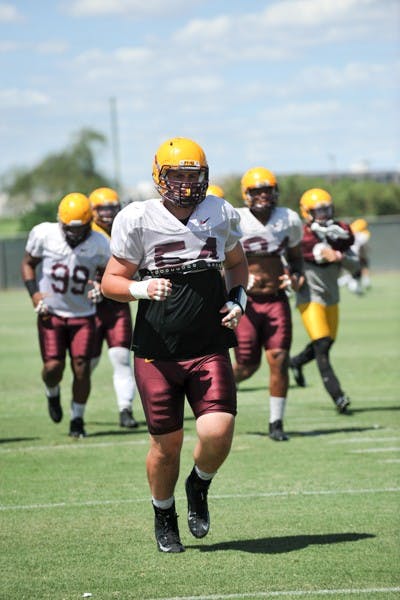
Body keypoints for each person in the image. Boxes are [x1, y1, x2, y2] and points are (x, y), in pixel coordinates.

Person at [101, 136, 248, 553]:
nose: (185, 183)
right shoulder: (137, 217)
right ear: (159, 176)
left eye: (193, 174)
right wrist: (141, 288)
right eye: (177, 174)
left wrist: (238, 300)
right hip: (157, 350)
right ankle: (163, 512)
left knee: (218, 432)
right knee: (167, 446)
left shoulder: (220, 211)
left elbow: (237, 265)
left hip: (208, 343)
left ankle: (198, 487)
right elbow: (110, 282)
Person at [21, 193, 111, 438]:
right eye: (67, 229)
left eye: (79, 229)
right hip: (51, 312)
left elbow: (110, 272)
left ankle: (77, 419)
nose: (72, 234)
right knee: (53, 367)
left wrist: (100, 286)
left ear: (88, 223)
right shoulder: (44, 234)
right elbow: (28, 263)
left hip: (83, 314)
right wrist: (35, 295)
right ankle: (52, 392)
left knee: (81, 367)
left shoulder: (100, 243)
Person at [232, 167, 304, 442]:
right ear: (246, 194)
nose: (263, 195)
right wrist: (233, 282)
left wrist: (295, 276)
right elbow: (221, 258)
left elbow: (296, 257)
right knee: (247, 366)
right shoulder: (236, 219)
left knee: (280, 359)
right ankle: (220, 388)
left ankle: (276, 422)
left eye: (267, 190)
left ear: (275, 192)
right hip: (246, 302)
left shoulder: (288, 219)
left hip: (276, 299)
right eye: (256, 191)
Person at [289, 188, 360, 413]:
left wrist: (339, 255)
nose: (323, 215)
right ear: (306, 212)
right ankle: (338, 397)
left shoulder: (336, 232)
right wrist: (320, 251)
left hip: (331, 296)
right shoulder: (301, 234)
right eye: (317, 211)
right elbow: (301, 251)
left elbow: (355, 265)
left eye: (326, 209)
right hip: (309, 296)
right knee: (322, 346)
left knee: (327, 341)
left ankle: (296, 362)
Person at [89, 187, 138, 428]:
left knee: (121, 357)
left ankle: (125, 409)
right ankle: (77, 408)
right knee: (88, 362)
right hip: (88, 306)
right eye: (102, 208)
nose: (108, 213)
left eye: (111, 207)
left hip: (116, 303)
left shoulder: (126, 227)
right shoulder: (86, 234)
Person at [338, 218, 372, 295]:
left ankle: (355, 287)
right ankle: (345, 283)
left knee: (355, 272)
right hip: (353, 255)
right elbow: (361, 248)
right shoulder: (364, 235)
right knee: (356, 272)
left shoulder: (350, 231)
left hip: (347, 253)